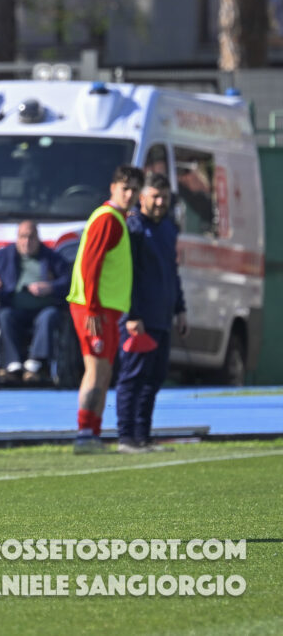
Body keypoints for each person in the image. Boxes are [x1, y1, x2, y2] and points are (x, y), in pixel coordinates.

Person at [66, 165, 144, 454]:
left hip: (106, 309)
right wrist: (93, 308)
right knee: (96, 369)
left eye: (134, 189)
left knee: (104, 371)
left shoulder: (118, 219)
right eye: (125, 188)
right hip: (94, 309)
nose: (129, 194)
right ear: (113, 188)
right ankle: (84, 433)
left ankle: (93, 433)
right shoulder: (108, 219)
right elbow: (90, 263)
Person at [115, 173, 188, 453]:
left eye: (164, 198)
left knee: (154, 378)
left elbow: (172, 272)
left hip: (162, 317)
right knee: (133, 377)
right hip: (139, 319)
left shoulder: (168, 228)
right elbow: (128, 275)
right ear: (142, 197)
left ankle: (143, 436)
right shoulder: (133, 228)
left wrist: (180, 308)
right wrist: (132, 314)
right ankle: (126, 437)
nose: (160, 203)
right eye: (155, 197)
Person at [0, 220, 71, 385]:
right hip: (14, 309)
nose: (27, 241)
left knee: (49, 316)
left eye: (31, 237)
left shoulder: (51, 257)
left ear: (38, 238)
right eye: (23, 237)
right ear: (17, 238)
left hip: (43, 309)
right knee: (4, 316)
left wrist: (50, 287)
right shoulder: (4, 255)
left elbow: (68, 280)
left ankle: (35, 365)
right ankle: (12, 365)